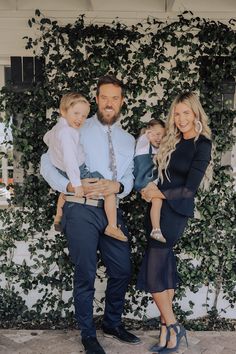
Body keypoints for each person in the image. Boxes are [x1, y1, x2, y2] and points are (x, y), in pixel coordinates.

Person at [40, 75, 141, 354]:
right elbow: (46, 161)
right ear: (97, 99)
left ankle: (112, 323)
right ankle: (88, 334)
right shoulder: (77, 124)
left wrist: (119, 186)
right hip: (80, 209)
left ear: (122, 102)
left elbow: (130, 175)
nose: (109, 103)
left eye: (115, 98)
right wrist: (72, 186)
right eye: (104, 97)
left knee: (122, 269)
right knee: (85, 274)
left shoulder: (128, 139)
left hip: (111, 211)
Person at [137, 92, 212, 353]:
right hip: (157, 210)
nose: (181, 119)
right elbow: (162, 175)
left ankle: (174, 325)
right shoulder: (174, 140)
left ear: (195, 113)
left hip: (176, 210)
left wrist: (159, 193)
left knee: (153, 271)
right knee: (164, 269)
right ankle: (165, 333)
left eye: (186, 113)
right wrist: (149, 189)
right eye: (177, 114)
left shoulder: (202, 145)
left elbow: (190, 188)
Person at [43, 92, 127, 242]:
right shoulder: (69, 132)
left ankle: (58, 216)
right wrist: (75, 184)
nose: (80, 119)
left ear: (122, 101)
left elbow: (47, 138)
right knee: (107, 188)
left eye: (83, 116)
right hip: (78, 174)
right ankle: (112, 227)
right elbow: (70, 160)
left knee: (64, 192)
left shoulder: (59, 128)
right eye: (76, 113)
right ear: (63, 111)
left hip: (62, 169)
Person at [134, 119, 166, 243]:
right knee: (157, 200)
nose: (159, 138)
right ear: (148, 133)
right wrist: (149, 134)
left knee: (157, 201)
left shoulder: (157, 149)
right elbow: (145, 137)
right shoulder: (143, 145)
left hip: (151, 181)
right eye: (156, 134)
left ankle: (156, 228)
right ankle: (156, 229)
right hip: (144, 180)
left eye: (162, 135)